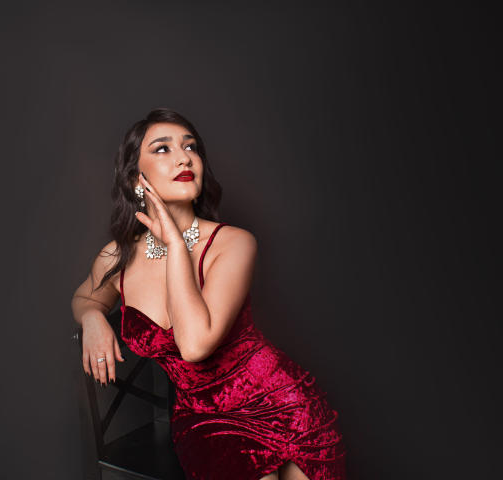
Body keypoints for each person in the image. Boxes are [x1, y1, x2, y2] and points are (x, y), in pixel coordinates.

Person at [71, 108, 347, 480]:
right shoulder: (118, 256)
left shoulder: (233, 243)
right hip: (205, 418)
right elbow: (86, 297)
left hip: (283, 403)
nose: (184, 157)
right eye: (163, 149)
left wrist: (175, 245)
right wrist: (91, 318)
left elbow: (195, 345)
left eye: (191, 147)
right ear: (137, 178)